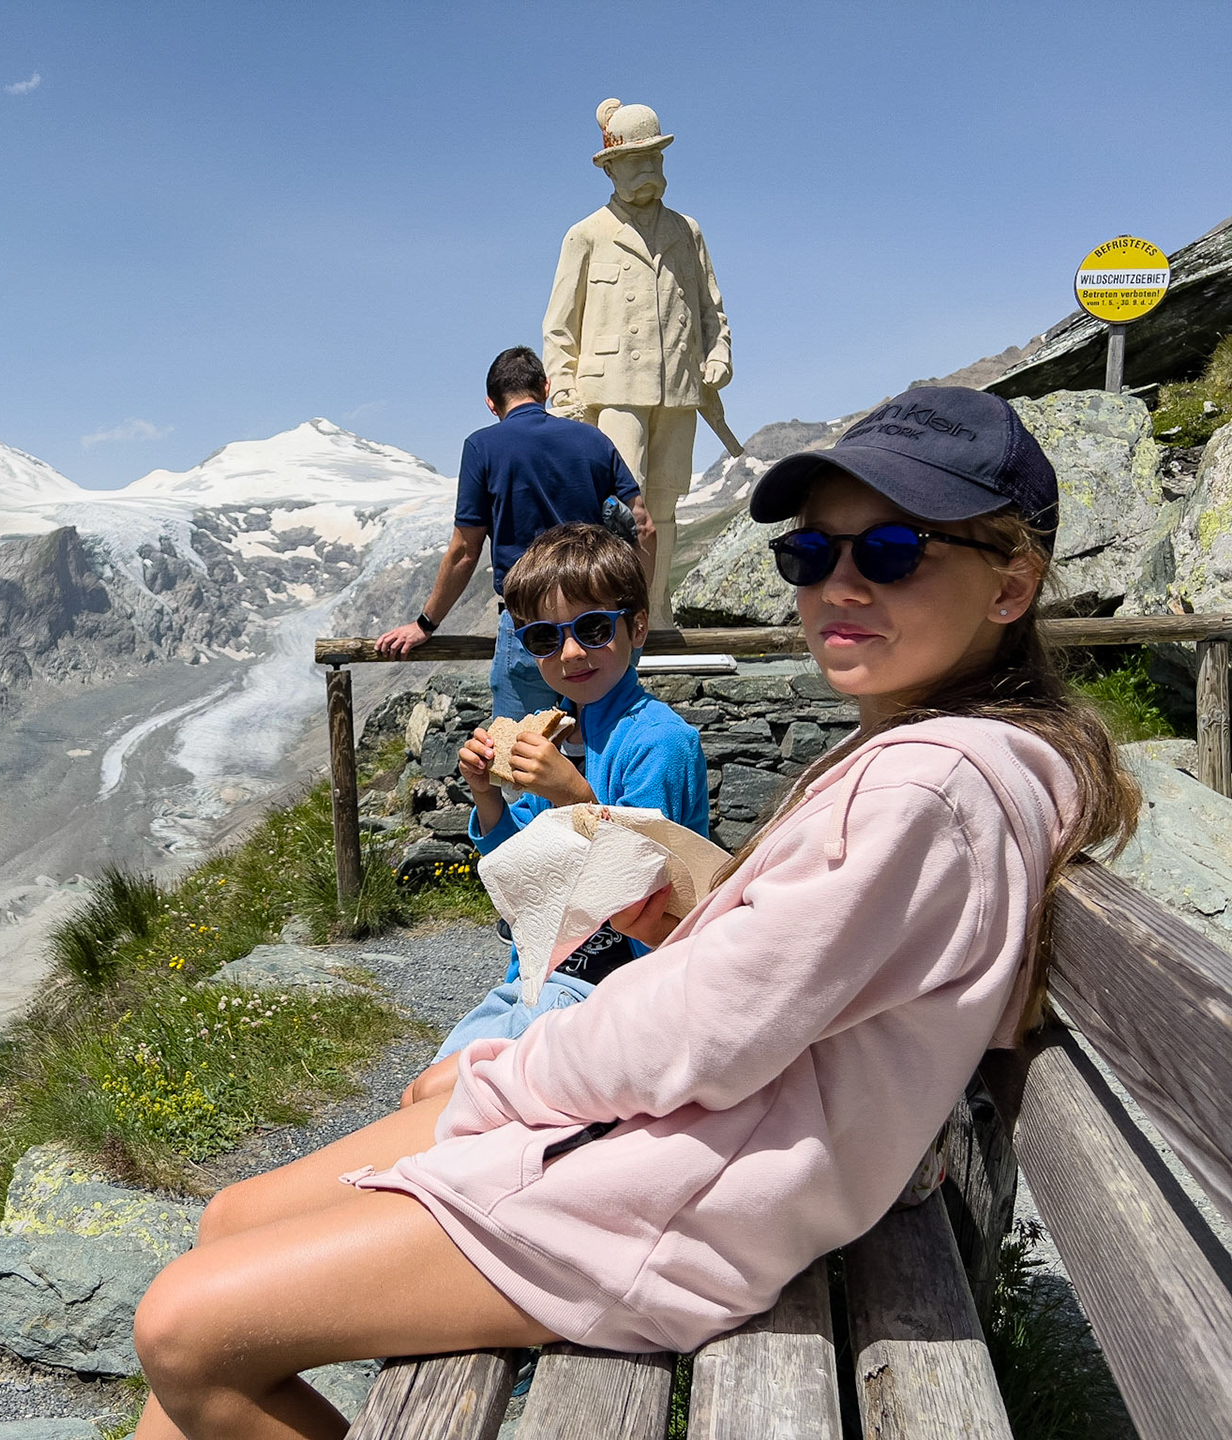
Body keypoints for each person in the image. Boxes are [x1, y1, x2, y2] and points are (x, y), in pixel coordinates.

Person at [127, 386, 1139, 1440]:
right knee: (227, 1222)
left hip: (679, 1195)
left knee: (185, 1328)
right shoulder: (960, 756)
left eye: (892, 551)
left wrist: (502, 1076)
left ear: (1012, 584)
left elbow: (707, 1028)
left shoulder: (927, 787)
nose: (839, 583)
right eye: (812, 554)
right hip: (678, 1138)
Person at [404, 523, 707, 1089]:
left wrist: (575, 795)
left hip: (612, 985)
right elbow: (526, 862)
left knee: (435, 1099)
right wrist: (488, 796)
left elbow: (648, 888)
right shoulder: (565, 730)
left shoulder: (657, 742)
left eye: (592, 628)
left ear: (636, 626)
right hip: (539, 973)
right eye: (544, 638)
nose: (570, 653)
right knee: (422, 1092)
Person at [376, 346, 653, 718]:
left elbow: (464, 551)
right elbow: (644, 527)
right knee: (608, 743)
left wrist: (425, 624)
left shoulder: (482, 447)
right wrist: (635, 610)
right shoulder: (593, 440)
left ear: (492, 404)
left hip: (530, 624)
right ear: (546, 388)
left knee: (519, 753)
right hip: (597, 623)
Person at [543, 100, 733, 623]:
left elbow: (711, 309)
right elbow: (559, 325)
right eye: (637, 162)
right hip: (611, 391)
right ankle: (613, 612)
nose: (649, 171)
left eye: (656, 160)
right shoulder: (586, 234)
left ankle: (659, 611)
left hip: (678, 386)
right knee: (620, 508)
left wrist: (719, 355)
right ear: (610, 166)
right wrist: (564, 389)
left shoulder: (687, 231)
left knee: (667, 501)